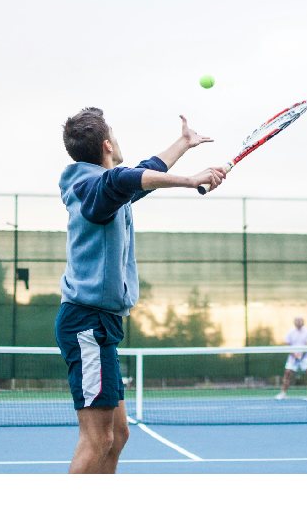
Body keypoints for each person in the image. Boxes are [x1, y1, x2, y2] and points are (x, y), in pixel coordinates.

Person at [55, 107, 225, 474]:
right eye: (114, 134)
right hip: (87, 322)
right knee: (97, 439)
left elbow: (140, 173)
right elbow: (124, 180)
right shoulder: (92, 188)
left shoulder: (103, 188)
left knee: (118, 434)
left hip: (102, 324)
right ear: (106, 145)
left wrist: (183, 144)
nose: (118, 140)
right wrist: (189, 179)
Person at [275, 316, 307, 401]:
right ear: (294, 322)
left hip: (306, 356)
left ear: (303, 322)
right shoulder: (290, 332)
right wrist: (295, 355)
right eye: (297, 321)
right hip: (293, 357)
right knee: (287, 373)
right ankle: (283, 393)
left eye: (300, 321)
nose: (299, 322)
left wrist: (301, 354)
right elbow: (288, 345)